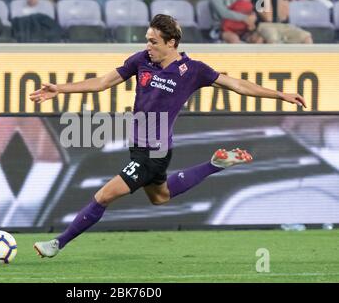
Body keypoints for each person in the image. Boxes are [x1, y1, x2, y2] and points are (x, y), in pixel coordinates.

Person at [29, 14, 306, 258]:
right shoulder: (141, 60)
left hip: (155, 152)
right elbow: (102, 82)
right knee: (160, 197)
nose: (148, 46)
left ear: (171, 42)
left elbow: (237, 85)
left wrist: (280, 94)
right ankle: (214, 165)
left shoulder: (193, 70)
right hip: (138, 147)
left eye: (153, 42)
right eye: (147, 40)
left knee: (103, 196)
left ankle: (58, 243)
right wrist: (60, 89)